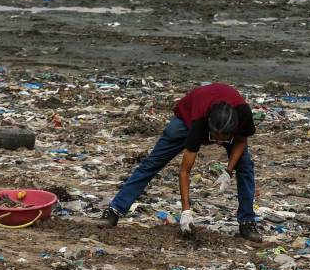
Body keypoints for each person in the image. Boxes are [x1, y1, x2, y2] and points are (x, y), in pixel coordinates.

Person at [97, 82, 261, 242]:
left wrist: (229, 171)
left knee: (245, 167)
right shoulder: (198, 124)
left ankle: (247, 221)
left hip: (225, 119)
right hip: (187, 118)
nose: (218, 144)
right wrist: (186, 211)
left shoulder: (243, 115)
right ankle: (115, 209)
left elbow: (240, 141)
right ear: (209, 130)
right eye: (215, 138)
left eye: (223, 140)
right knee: (153, 163)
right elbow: (185, 171)